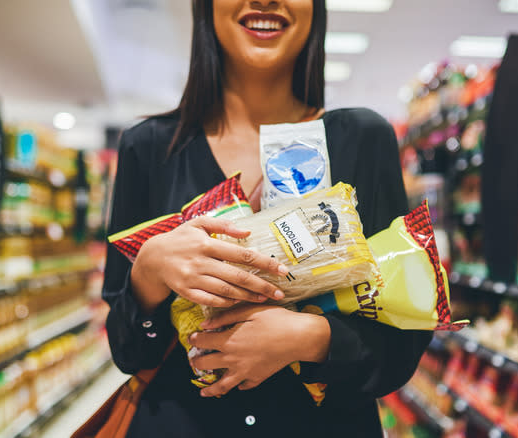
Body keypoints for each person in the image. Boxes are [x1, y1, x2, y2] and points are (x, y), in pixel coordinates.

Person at [102, 0, 433, 436]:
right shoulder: (148, 149)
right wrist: (148, 273)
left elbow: (404, 343)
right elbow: (129, 353)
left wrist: (310, 338)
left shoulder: (362, 140)